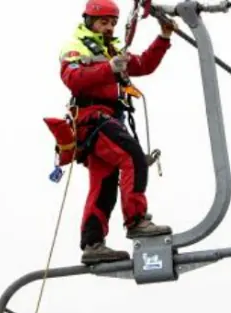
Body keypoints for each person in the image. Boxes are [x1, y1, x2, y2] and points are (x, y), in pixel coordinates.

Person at [57, 0, 176, 265]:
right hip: (92, 118)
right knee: (132, 157)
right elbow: (73, 79)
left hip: (106, 120)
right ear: (89, 21)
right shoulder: (76, 47)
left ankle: (92, 243)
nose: (109, 27)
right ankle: (136, 220)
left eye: (112, 23)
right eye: (103, 22)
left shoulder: (111, 50)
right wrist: (108, 69)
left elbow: (144, 65)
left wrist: (164, 37)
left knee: (104, 184)